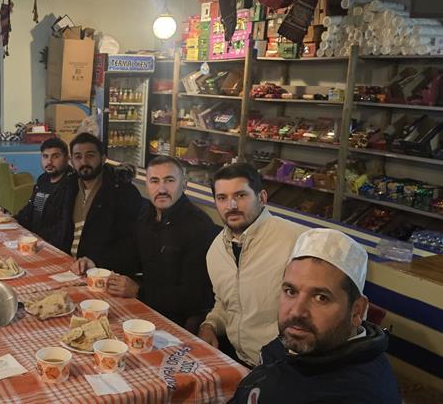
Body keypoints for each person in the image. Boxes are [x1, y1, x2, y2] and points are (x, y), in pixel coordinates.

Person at [229, 228, 401, 403]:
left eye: (321, 298)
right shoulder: (308, 341)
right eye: (291, 291)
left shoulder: (355, 395)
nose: (297, 311)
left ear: (356, 311)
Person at [71, 156, 218, 330]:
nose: (161, 189)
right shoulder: (146, 214)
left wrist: (139, 291)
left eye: (169, 180)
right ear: (147, 185)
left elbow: (196, 297)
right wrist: (95, 262)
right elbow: (130, 254)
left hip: (175, 320)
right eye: (154, 181)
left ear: (184, 184)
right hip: (145, 306)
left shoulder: (198, 227)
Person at [198, 163, 306, 367]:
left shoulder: (296, 240)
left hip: (286, 367)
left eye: (240, 195)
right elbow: (226, 303)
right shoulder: (216, 250)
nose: (231, 205)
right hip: (239, 360)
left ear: (262, 197)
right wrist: (210, 325)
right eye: (222, 198)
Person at [62, 133, 143, 272]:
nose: (84, 161)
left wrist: (96, 261)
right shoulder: (69, 187)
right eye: (78, 157)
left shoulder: (122, 191)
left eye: (90, 155)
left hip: (101, 270)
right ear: (71, 162)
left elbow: (131, 242)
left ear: (103, 158)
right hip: (69, 265)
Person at [16, 137, 74, 252]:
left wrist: (39, 241)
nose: (49, 162)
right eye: (45, 156)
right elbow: (30, 209)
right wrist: (12, 220)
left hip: (51, 247)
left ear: (67, 158)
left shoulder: (71, 184)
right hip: (33, 239)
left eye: (55, 156)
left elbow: (63, 227)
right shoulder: (43, 179)